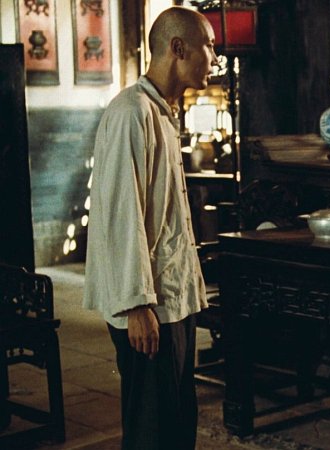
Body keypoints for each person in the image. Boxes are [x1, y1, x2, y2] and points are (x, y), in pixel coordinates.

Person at [83, 7, 217, 449]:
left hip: (172, 297)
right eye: (208, 45)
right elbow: (122, 214)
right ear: (179, 48)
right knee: (151, 429)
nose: (214, 57)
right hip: (147, 304)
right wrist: (136, 305)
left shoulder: (162, 112)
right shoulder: (131, 112)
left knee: (176, 420)